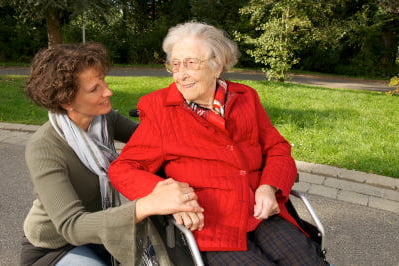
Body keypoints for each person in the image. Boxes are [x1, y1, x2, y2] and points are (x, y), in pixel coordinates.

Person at [108, 22, 326, 265]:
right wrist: (170, 197)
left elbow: (277, 148)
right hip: (211, 223)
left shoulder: (245, 98)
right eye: (175, 65)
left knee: (308, 260)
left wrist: (269, 186)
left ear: (217, 65)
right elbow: (123, 168)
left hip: (259, 211)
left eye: (191, 63)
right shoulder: (160, 109)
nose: (181, 74)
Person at [20, 42, 203, 266]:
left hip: (102, 234)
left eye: (103, 82)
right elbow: (72, 226)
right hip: (55, 245)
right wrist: (148, 205)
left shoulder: (105, 120)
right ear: (67, 101)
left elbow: (158, 144)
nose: (108, 91)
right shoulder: (44, 148)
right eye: (94, 89)